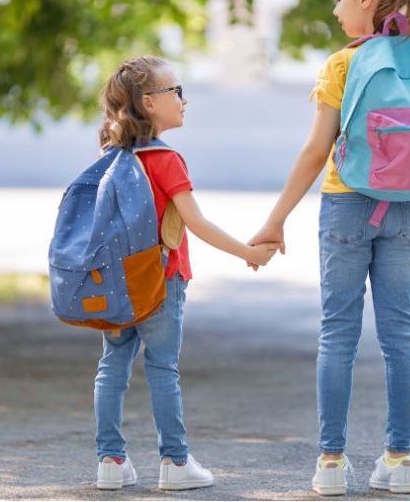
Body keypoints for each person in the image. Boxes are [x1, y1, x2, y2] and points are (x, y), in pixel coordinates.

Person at [248, 0, 410, 496]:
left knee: (338, 335)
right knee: (401, 334)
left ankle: (329, 464)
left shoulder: (343, 63)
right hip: (404, 213)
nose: (335, 9)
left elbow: (314, 151)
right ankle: (400, 461)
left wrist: (275, 220)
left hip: (347, 204)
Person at [93, 56, 279, 491]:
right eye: (175, 91)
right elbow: (195, 223)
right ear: (148, 103)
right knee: (162, 369)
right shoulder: (166, 160)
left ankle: (110, 461)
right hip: (162, 278)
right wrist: (248, 252)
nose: (184, 100)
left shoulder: (112, 156)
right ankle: (175, 463)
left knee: (111, 368)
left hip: (118, 279)